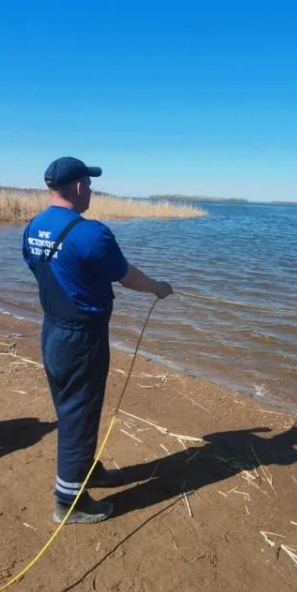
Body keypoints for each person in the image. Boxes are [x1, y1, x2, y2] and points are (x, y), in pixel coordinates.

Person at [23, 156, 173, 524]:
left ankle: (86, 470)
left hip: (52, 332)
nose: (90, 190)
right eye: (88, 184)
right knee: (79, 415)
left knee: (71, 408)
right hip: (82, 339)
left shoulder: (32, 227)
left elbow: (39, 266)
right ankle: (69, 503)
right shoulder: (92, 234)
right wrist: (157, 288)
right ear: (76, 187)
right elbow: (125, 276)